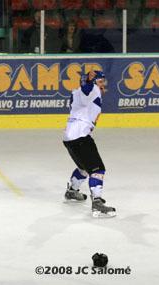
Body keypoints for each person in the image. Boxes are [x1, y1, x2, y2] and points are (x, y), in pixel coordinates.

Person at [63, 70, 116, 218]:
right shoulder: (91, 89)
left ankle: (72, 191)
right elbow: (87, 89)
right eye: (100, 82)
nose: (102, 85)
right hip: (80, 136)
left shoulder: (77, 92)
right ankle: (97, 204)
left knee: (84, 168)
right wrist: (88, 81)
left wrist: (88, 82)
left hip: (70, 136)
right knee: (98, 170)